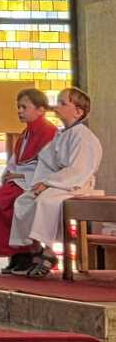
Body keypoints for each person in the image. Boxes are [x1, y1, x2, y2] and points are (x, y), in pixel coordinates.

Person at [9, 87, 103, 278]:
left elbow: (78, 169)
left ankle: (49, 253)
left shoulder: (82, 136)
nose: (56, 106)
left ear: (78, 111)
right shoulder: (62, 134)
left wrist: (49, 183)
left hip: (76, 184)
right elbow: (46, 161)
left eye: (62, 103)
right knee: (24, 200)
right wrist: (40, 183)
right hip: (59, 182)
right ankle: (36, 249)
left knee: (46, 201)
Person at [0, 88, 57, 273]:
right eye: (18, 107)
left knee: (1, 202)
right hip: (20, 181)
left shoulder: (50, 133)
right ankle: (18, 254)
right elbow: (16, 160)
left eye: (24, 107)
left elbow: (48, 165)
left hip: (34, 183)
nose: (19, 111)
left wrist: (20, 176)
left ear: (41, 109)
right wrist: (9, 173)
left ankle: (28, 252)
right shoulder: (26, 134)